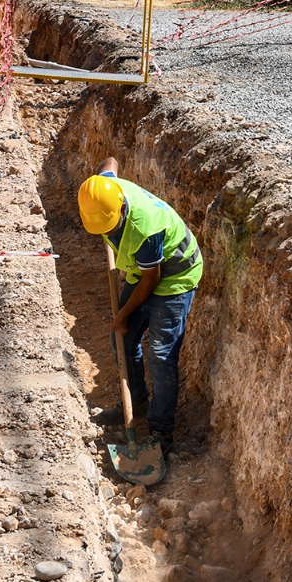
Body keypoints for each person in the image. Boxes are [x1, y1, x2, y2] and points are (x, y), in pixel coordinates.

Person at [78, 157, 204, 456]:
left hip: (174, 276)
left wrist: (123, 314)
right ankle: (135, 403)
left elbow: (151, 281)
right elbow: (110, 161)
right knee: (122, 337)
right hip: (143, 270)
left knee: (161, 355)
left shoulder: (145, 229)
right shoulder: (104, 190)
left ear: (122, 207)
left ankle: (161, 430)